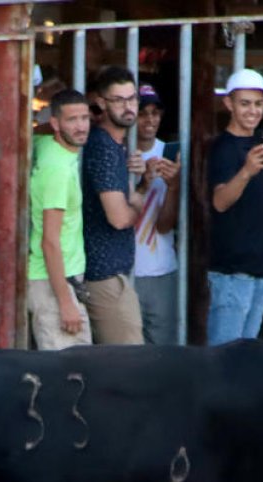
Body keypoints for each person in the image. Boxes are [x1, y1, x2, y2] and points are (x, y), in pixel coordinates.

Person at [207, 69, 263, 346]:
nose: (253, 110)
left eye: (258, 104)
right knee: (225, 361)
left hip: (256, 271)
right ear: (229, 104)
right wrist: (248, 170)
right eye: (245, 103)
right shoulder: (224, 148)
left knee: (242, 359)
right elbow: (220, 201)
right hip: (232, 273)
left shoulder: (254, 143)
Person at [80, 66, 150, 345]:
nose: (128, 106)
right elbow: (119, 218)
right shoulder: (106, 148)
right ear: (100, 102)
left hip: (103, 272)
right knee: (130, 366)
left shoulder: (112, 146)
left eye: (132, 98)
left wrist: (141, 186)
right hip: (105, 276)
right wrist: (138, 202)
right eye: (118, 100)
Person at [27, 89, 93, 350]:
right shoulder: (58, 171)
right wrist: (65, 302)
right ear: (55, 123)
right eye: (71, 120)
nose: (80, 127)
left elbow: (34, 134)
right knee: (69, 376)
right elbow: (50, 242)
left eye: (85, 118)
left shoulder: (48, 147)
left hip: (58, 280)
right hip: (54, 283)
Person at [130, 85, 183, 345]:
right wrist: (141, 184)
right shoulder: (116, 151)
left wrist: (174, 186)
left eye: (155, 112)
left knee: (163, 354)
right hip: (121, 270)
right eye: (142, 113)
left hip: (160, 268)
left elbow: (164, 226)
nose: (150, 119)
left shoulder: (170, 154)